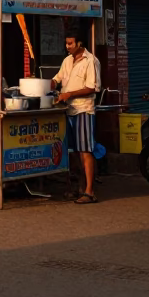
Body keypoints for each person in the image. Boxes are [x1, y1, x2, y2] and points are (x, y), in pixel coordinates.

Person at [53, 30, 101, 204]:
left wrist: (69, 94)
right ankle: (76, 187)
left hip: (83, 110)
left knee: (85, 151)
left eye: (70, 43)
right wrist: (46, 84)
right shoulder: (67, 60)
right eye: (66, 43)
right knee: (72, 152)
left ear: (80, 44)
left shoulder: (91, 61)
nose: (67, 46)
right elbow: (57, 79)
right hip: (69, 110)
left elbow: (92, 87)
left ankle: (89, 191)